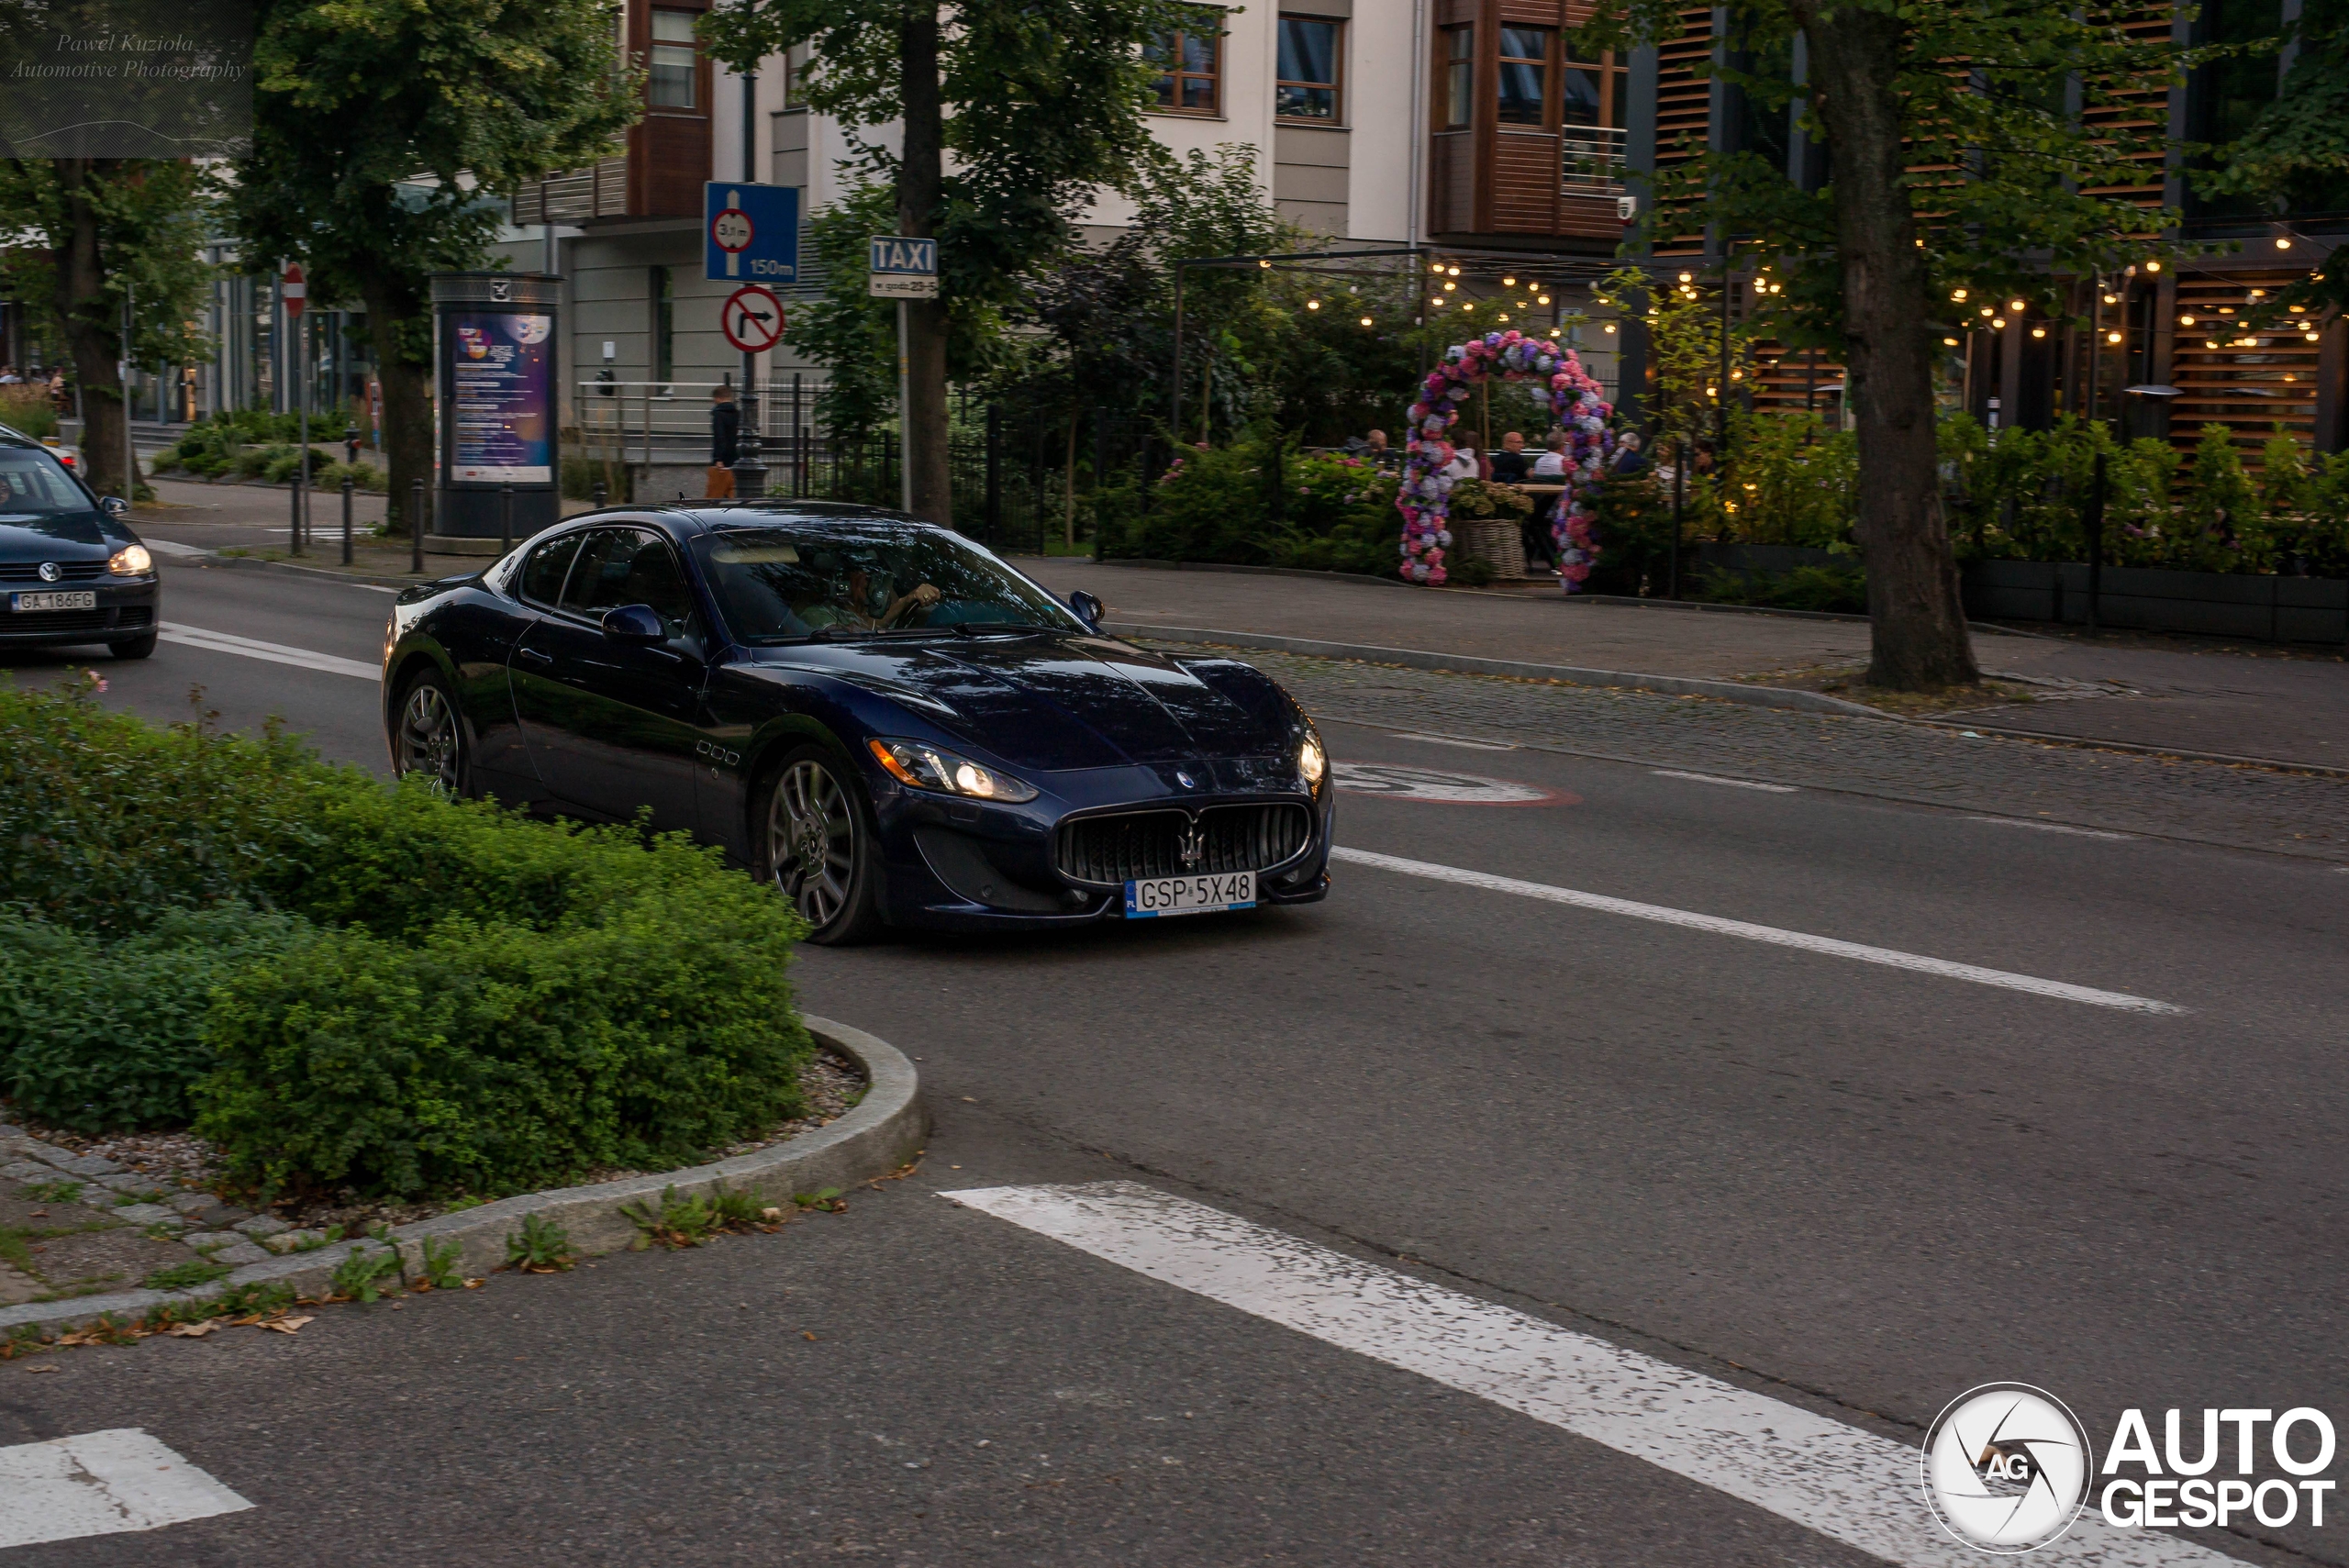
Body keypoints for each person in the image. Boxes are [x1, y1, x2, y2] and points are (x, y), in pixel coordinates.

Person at [707, 385, 740, 499]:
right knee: (731, 494)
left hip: (722, 461)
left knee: (713, 495)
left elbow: (720, 437)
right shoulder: (738, 413)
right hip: (736, 458)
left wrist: (718, 459)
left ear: (717, 398)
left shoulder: (718, 414)